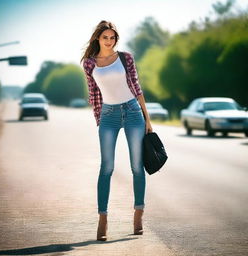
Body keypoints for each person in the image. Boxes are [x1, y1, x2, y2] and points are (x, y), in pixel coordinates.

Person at [81, 20, 152, 241]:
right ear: (98, 39)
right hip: (108, 115)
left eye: (112, 38)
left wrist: (147, 119)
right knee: (107, 167)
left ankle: (138, 214)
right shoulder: (89, 63)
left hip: (132, 111)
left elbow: (137, 87)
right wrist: (99, 120)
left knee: (136, 166)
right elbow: (93, 94)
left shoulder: (125, 58)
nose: (109, 41)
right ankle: (103, 218)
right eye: (105, 37)